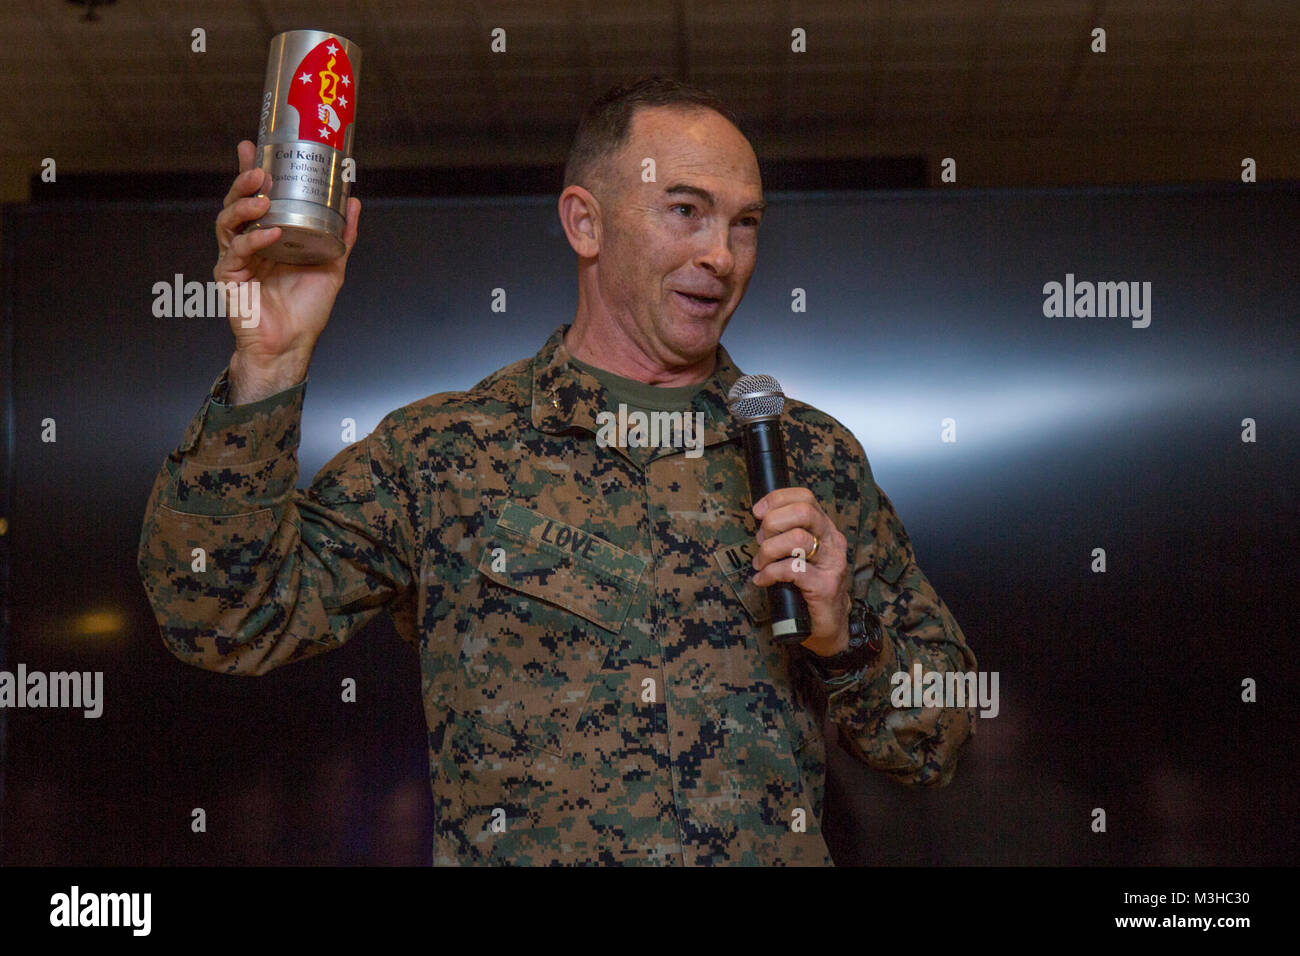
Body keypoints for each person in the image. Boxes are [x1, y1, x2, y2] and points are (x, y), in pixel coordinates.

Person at [137, 76, 978, 866]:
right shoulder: (447, 453)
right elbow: (223, 616)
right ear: (585, 223)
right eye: (685, 211)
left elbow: (939, 739)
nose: (721, 254)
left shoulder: (812, 457)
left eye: (744, 222)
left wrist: (844, 642)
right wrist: (269, 364)